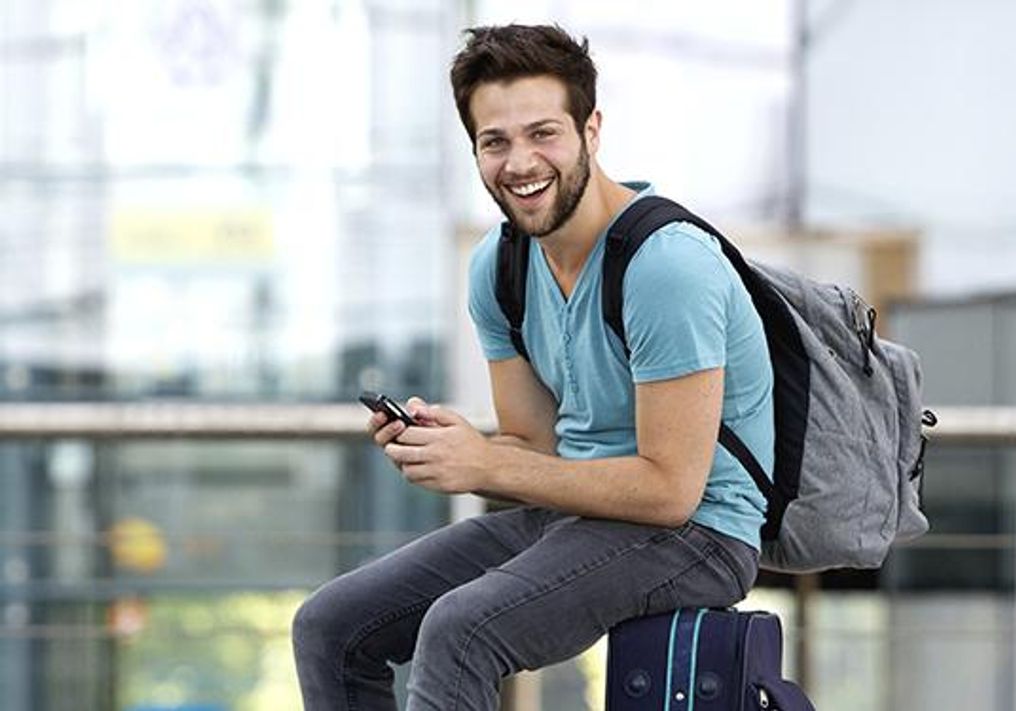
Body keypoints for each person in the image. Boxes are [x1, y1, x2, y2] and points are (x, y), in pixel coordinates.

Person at [292, 24, 774, 711]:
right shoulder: (501, 267)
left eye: (543, 133)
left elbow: (671, 490)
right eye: (495, 142)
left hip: (698, 533)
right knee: (331, 626)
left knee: (460, 630)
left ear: (591, 130)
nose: (520, 162)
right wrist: (456, 446)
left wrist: (486, 466)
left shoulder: (666, 265)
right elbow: (537, 450)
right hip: (575, 515)